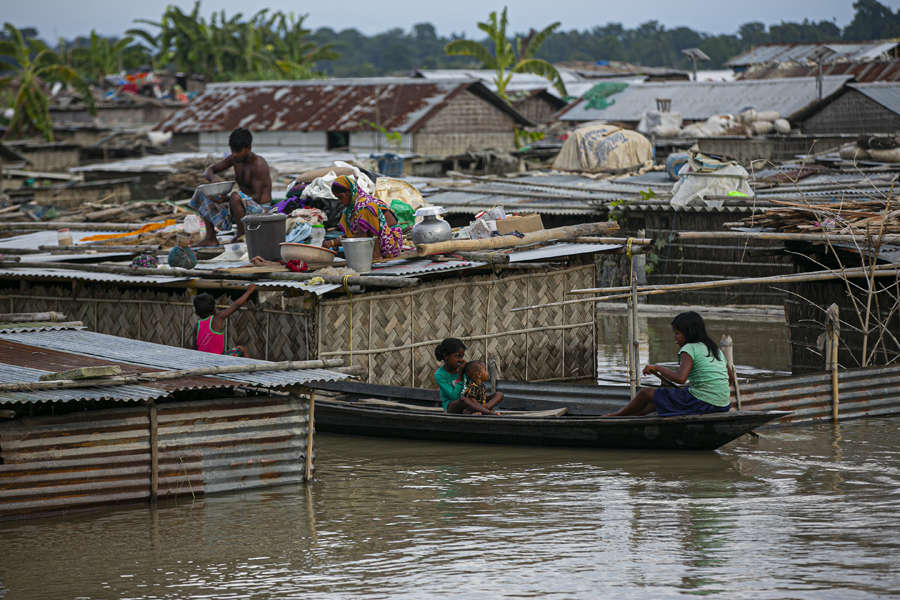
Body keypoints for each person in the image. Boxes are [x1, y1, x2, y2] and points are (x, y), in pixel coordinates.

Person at [606, 311, 733, 417]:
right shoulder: (714, 348)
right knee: (662, 398)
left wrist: (657, 368)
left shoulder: (689, 348)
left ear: (689, 333)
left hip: (702, 404)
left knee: (646, 393)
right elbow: (730, 379)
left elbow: (681, 379)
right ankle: (636, 416)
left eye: (677, 333)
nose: (675, 337)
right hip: (723, 405)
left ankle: (616, 416)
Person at [191, 128, 273, 246]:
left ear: (248, 148)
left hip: (260, 208)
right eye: (233, 150)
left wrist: (227, 199)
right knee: (202, 191)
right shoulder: (234, 159)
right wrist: (214, 179)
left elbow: (257, 197)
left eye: (238, 151)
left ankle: (241, 235)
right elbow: (210, 170)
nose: (234, 154)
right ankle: (211, 237)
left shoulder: (259, 165)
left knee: (235, 196)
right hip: (239, 206)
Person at [323, 174, 403, 258]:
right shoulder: (351, 210)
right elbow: (352, 235)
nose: (339, 201)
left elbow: (361, 238)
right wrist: (332, 243)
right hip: (375, 240)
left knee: (366, 213)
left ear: (349, 192)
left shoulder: (364, 206)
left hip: (391, 243)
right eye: (337, 198)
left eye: (340, 197)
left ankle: (375, 256)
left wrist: (336, 244)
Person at [192, 284, 257, 357]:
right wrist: (249, 291)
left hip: (202, 360)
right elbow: (236, 305)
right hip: (219, 360)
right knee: (241, 349)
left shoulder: (197, 325)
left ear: (197, 312)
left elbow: (195, 347)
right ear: (214, 308)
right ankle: (249, 368)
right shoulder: (217, 319)